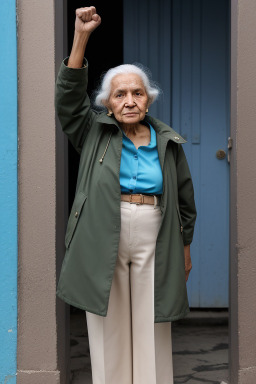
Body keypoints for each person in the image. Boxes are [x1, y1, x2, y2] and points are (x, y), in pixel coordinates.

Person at [55, 6, 197, 384]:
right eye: (120, 95)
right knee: (108, 319)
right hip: (105, 228)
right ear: (108, 103)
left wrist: (185, 248)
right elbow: (68, 101)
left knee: (153, 317)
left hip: (155, 229)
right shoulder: (92, 132)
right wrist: (81, 37)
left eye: (137, 93)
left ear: (148, 100)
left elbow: (184, 201)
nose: (130, 100)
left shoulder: (168, 142)